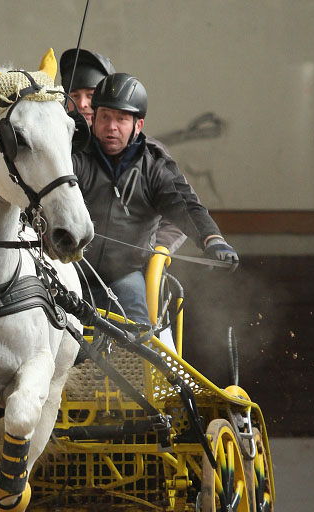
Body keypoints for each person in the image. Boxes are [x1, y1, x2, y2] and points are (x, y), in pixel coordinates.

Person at [71, 72, 239, 326]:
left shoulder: (154, 164)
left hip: (126, 275)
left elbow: (185, 204)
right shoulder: (74, 154)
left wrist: (212, 239)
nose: (111, 126)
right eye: (104, 116)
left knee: (141, 330)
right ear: (94, 119)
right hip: (70, 271)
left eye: (122, 119)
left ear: (138, 126)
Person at [60, 47, 188, 266]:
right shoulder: (58, 150)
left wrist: (160, 248)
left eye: (90, 96)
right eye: (74, 96)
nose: (82, 104)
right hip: (66, 269)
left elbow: (180, 209)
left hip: (128, 270)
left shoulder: (148, 155)